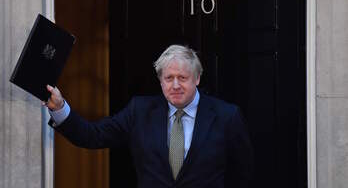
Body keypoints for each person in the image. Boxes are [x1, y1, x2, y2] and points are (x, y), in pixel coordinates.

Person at [44, 44, 253, 188]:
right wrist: (60, 107)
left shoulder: (227, 116)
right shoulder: (140, 111)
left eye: (183, 77)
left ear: (197, 78)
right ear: (160, 80)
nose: (176, 85)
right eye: (169, 78)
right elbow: (93, 135)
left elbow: (242, 175)